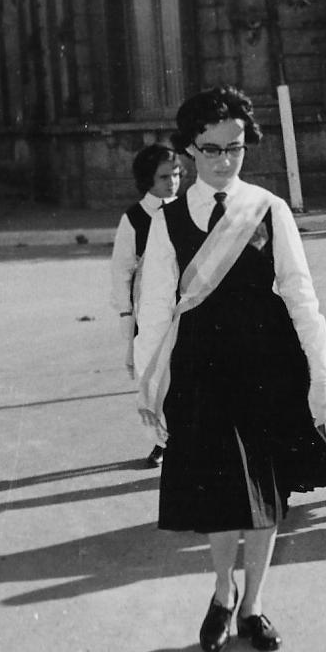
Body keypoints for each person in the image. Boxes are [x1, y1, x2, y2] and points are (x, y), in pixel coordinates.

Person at [135, 86, 326, 652]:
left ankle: (253, 604)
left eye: (234, 148)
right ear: (189, 149)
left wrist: (322, 373)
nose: (224, 160)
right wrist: (149, 388)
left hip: (267, 366)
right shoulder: (168, 220)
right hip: (200, 369)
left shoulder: (267, 208)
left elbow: (301, 293)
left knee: (264, 491)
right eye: (211, 149)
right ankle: (222, 590)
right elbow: (154, 309)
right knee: (217, 489)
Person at [109, 144, 181, 468]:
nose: (172, 182)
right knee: (154, 374)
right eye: (164, 177)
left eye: (176, 174)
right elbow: (122, 270)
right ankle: (161, 440)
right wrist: (126, 314)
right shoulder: (135, 218)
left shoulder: (187, 211)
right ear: (147, 179)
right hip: (148, 309)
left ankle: (185, 437)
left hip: (183, 304)